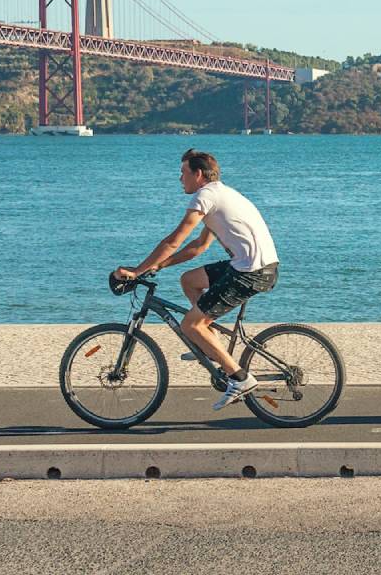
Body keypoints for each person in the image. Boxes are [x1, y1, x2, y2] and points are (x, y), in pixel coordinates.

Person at [113, 149, 280, 410]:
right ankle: (210, 343)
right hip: (251, 264)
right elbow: (198, 246)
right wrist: (160, 265)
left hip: (251, 271)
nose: (180, 179)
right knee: (189, 280)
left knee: (191, 325)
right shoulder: (219, 194)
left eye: (183, 173)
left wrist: (138, 271)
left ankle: (240, 378)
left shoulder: (206, 195)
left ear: (198, 174)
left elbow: (174, 240)